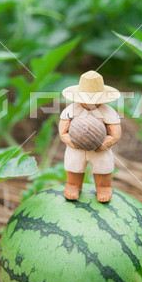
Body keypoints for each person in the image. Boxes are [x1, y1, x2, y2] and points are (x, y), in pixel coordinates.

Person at [59, 70, 121, 203]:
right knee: (73, 166)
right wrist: (71, 142)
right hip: (76, 148)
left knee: (103, 167)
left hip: (100, 148)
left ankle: (104, 187)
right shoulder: (71, 110)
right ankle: (73, 185)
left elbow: (115, 134)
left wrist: (104, 144)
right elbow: (63, 132)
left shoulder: (108, 112)